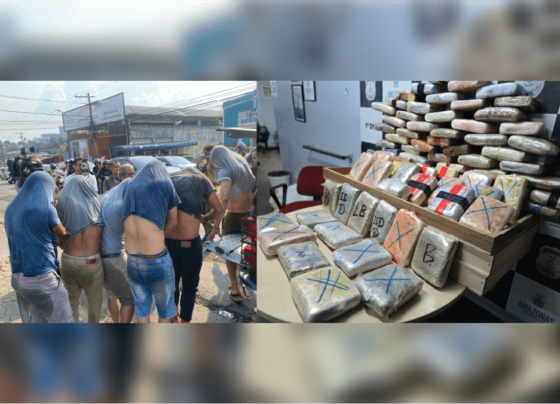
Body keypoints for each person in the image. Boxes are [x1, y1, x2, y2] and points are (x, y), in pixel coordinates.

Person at [6, 171, 74, 323]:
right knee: (65, 323)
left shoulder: (11, 208)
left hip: (18, 277)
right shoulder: (45, 208)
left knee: (38, 320)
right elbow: (62, 233)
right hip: (41, 279)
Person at [122, 160, 180, 323]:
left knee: (142, 309)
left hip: (132, 260)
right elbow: (174, 222)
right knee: (165, 310)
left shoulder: (130, 187)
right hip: (156, 259)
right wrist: (159, 236)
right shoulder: (165, 183)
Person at [166, 167, 225, 323]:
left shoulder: (167, 179)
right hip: (189, 245)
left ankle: (173, 318)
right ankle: (184, 323)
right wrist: (209, 221)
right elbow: (219, 209)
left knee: (170, 285)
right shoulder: (201, 179)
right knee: (189, 287)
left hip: (167, 243)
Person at [208, 146, 255, 302]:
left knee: (229, 251)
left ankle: (234, 287)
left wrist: (216, 226)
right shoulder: (242, 163)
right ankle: (240, 282)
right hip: (250, 214)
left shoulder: (224, 170)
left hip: (234, 216)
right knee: (243, 249)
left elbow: (224, 198)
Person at [57, 176, 104, 323]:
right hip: (91, 261)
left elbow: (57, 233)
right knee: (94, 300)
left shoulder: (62, 205)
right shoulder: (98, 204)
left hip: (68, 259)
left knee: (71, 301)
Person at [99, 177, 135, 323]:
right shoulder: (122, 205)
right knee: (129, 298)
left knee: (112, 295)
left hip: (100, 256)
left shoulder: (104, 199)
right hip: (114, 257)